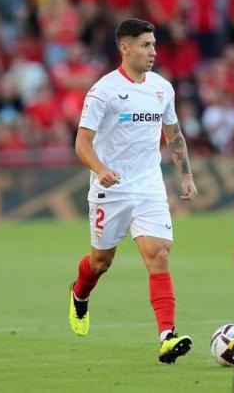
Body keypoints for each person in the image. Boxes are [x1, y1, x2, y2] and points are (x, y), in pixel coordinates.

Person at [68, 18, 198, 364]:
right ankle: (79, 294)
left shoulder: (162, 88)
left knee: (158, 255)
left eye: (154, 44)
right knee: (100, 262)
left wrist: (186, 175)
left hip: (149, 187)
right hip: (111, 190)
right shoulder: (103, 91)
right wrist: (100, 169)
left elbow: (173, 134)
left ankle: (166, 337)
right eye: (145, 45)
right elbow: (82, 143)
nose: (153, 51)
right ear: (124, 48)